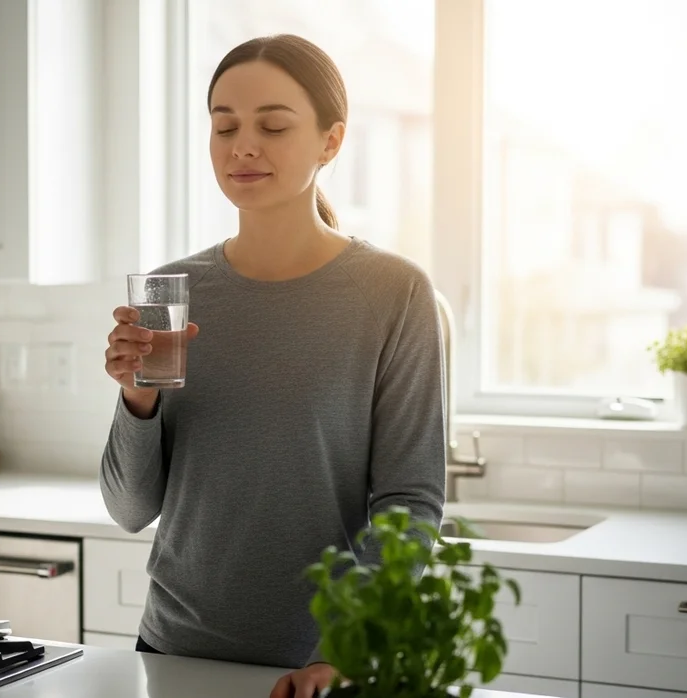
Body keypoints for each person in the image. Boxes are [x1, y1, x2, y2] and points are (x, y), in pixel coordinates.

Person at [100, 33, 447, 698]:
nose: (242, 146)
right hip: (172, 653)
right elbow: (129, 508)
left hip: (315, 667)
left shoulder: (393, 292)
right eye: (224, 125)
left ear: (331, 141)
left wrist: (348, 647)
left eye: (273, 125)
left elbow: (412, 503)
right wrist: (135, 399)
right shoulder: (168, 292)